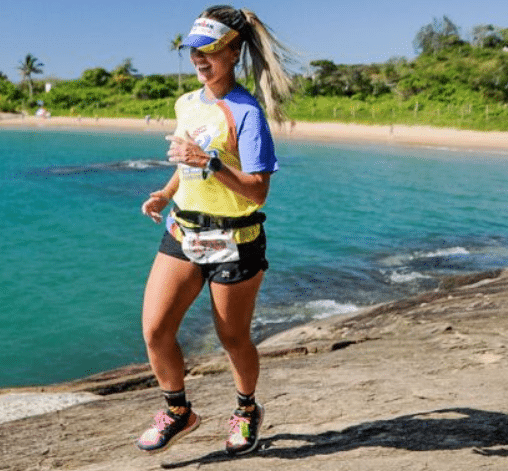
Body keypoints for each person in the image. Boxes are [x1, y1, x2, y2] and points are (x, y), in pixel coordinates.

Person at [136, 5, 294, 456]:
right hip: (183, 233)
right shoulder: (186, 103)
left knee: (232, 338)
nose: (200, 60)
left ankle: (246, 410)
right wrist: (167, 193)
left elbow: (257, 191)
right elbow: (187, 160)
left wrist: (209, 162)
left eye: (210, 51)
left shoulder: (246, 114)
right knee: (155, 330)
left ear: (234, 52)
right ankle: (178, 410)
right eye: (194, 53)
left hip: (236, 242)